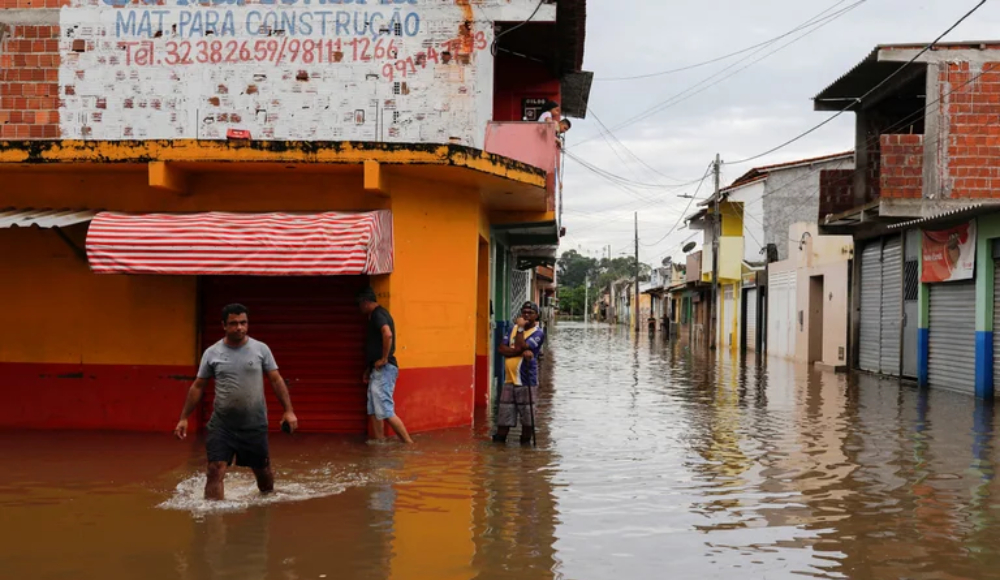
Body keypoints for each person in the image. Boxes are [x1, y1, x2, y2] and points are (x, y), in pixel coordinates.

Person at [174, 303, 298, 501]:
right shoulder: (212, 353)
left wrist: (288, 411)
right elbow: (198, 386)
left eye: (243, 323)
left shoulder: (261, 349)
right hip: (222, 425)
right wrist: (184, 418)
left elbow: (276, 380)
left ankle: (266, 508)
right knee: (215, 469)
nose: (239, 327)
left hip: (254, 424)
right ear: (224, 325)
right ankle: (213, 516)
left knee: (262, 472)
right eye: (233, 323)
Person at [358, 287, 414, 444]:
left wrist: (384, 359)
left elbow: (387, 333)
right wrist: (369, 368)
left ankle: (408, 445)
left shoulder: (378, 314)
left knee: (385, 409)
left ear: (366, 302)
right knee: (374, 410)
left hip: (384, 369)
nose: (359, 308)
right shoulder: (376, 315)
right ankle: (380, 445)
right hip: (376, 370)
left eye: (360, 304)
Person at [493, 301, 546, 445]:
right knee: (504, 417)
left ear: (536, 316)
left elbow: (522, 345)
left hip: (526, 381)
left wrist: (521, 330)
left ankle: (525, 446)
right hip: (509, 380)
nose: (526, 315)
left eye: (530, 313)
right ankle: (499, 445)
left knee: (527, 419)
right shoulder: (513, 329)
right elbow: (501, 349)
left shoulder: (538, 333)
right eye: (524, 312)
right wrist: (518, 351)